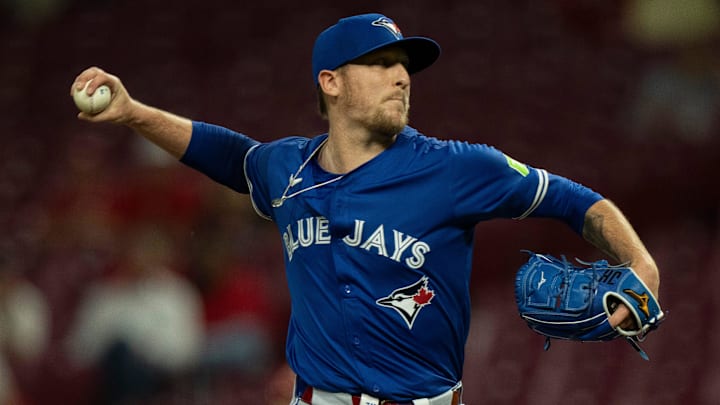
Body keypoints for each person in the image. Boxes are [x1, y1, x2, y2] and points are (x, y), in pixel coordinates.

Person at [70, 12, 661, 405]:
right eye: (380, 64)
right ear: (331, 82)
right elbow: (227, 155)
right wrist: (132, 113)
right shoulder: (286, 169)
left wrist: (641, 263)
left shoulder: (457, 168)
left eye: (405, 66)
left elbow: (578, 202)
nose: (401, 77)